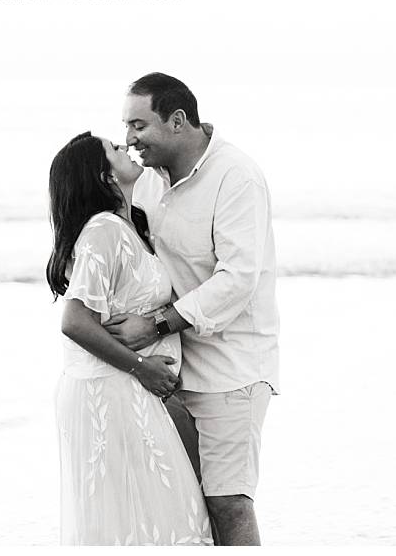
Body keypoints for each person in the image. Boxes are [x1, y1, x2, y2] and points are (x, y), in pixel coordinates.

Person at [105, 73, 280, 546]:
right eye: (126, 127)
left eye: (138, 125)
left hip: (231, 369)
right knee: (178, 501)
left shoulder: (235, 175)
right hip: (167, 368)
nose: (129, 139)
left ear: (177, 120)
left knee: (227, 501)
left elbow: (237, 279)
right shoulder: (145, 185)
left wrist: (154, 325)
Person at [47, 132, 213, 546]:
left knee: (155, 519)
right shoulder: (103, 230)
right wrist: (143, 368)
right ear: (102, 175)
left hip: (132, 390)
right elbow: (74, 320)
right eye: (115, 149)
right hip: (116, 392)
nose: (127, 148)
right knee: (157, 520)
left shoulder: (131, 224)